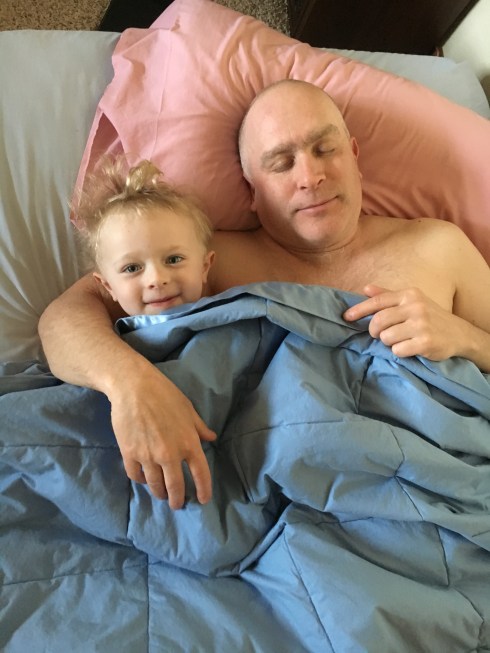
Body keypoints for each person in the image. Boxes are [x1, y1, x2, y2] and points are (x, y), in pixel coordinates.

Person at [39, 79, 490, 510]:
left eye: (324, 149)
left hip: (436, 487)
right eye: (281, 163)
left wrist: (466, 338)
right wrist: (131, 386)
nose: (311, 175)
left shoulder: (440, 246)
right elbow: (65, 317)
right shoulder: (200, 259)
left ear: (354, 156)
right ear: (252, 190)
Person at [75, 158, 215, 317]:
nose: (156, 279)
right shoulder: (104, 332)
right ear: (109, 287)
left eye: (174, 259)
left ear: (204, 267)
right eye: (132, 268)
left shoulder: (233, 312)